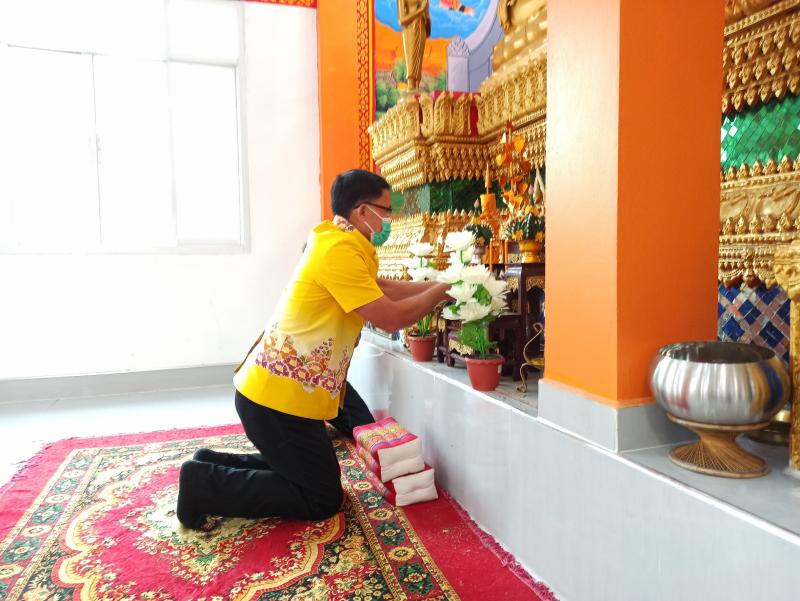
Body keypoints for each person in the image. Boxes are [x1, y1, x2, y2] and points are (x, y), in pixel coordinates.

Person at [176, 169, 450, 530]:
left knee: (309, 476)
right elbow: (391, 317)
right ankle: (202, 485)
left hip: (285, 396)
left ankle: (210, 465)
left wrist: (438, 285)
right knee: (322, 498)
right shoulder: (339, 251)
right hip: (276, 401)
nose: (389, 220)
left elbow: (382, 288)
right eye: (386, 211)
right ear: (362, 211)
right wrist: (441, 292)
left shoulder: (338, 241)